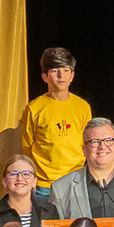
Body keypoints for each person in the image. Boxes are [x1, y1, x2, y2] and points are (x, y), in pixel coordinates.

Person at [25, 48, 92, 190]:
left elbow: (87, 142)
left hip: (75, 180)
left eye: (66, 70)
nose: (61, 75)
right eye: (55, 71)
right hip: (44, 184)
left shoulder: (82, 107)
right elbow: (27, 147)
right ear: (45, 77)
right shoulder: (34, 108)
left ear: (72, 76)